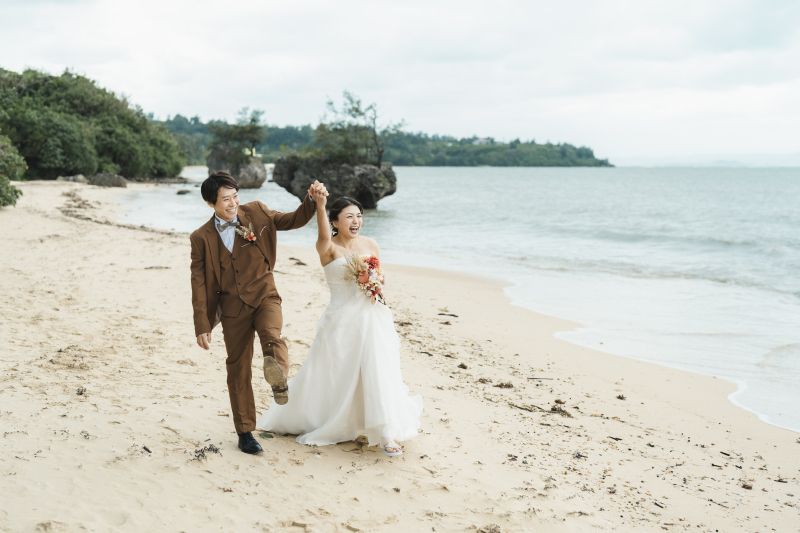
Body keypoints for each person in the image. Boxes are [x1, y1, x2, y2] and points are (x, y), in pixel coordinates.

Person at [256, 193, 423, 456]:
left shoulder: (371, 244)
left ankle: (386, 432)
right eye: (349, 217)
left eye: (359, 216)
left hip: (372, 318)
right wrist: (320, 205)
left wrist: (375, 287)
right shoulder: (328, 247)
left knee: (378, 370)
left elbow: (380, 282)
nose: (356, 221)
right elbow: (322, 237)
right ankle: (317, 419)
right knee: (333, 376)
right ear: (335, 222)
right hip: (340, 321)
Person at [190, 170, 328, 454]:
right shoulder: (200, 238)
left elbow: (292, 220)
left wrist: (311, 202)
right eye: (226, 199)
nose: (233, 203)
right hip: (231, 308)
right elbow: (199, 283)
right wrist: (202, 324)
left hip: (265, 294)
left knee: (271, 334)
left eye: (235, 196)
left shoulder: (258, 212)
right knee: (237, 367)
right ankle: (245, 433)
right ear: (210, 203)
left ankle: (278, 378)